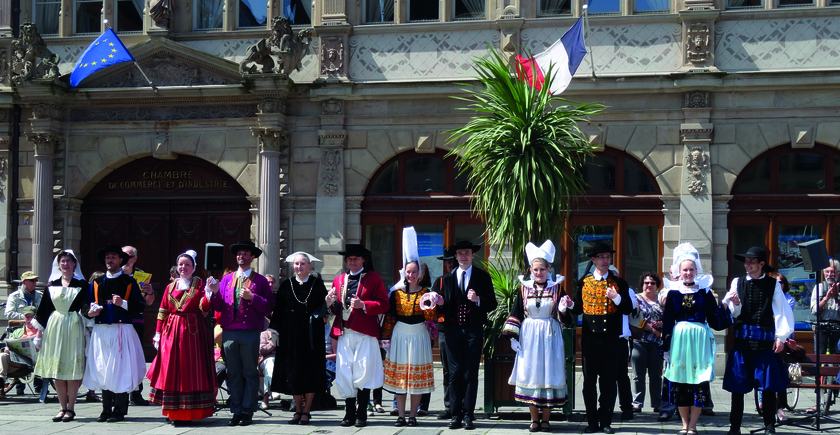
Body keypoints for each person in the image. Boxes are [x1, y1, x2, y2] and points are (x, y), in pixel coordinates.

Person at [660, 243, 732, 435]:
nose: (688, 272)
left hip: (699, 340)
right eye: (685, 269)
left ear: (696, 270)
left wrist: (725, 306)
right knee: (681, 381)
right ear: (679, 271)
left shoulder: (704, 292)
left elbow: (715, 319)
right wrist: (665, 347)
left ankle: (693, 426)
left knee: (698, 381)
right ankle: (684, 425)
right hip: (680, 340)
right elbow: (667, 321)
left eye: (691, 269)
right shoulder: (673, 293)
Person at [503, 240, 572, 433]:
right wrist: (513, 337)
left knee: (548, 372)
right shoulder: (524, 288)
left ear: (549, 269)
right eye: (536, 270)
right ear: (531, 270)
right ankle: (534, 419)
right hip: (530, 335)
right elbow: (516, 312)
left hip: (550, 334)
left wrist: (564, 308)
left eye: (542, 269)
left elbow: (565, 317)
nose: (539, 273)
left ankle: (547, 420)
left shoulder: (557, 288)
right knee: (531, 373)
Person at [723, 246, 793, 435]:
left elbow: (781, 312)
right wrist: (735, 305)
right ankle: (734, 427)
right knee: (737, 388)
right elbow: (732, 312)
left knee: (768, 388)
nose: (747, 265)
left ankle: (770, 427)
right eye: (746, 261)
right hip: (741, 344)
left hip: (764, 344)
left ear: (762, 264)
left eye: (751, 261)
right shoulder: (737, 282)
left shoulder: (773, 285)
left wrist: (781, 337)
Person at [146, 250, 217, 427]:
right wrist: (158, 333)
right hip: (171, 332)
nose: (183, 267)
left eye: (187, 264)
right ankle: (173, 410)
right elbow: (162, 310)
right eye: (180, 264)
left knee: (190, 370)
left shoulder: (200, 283)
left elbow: (204, 307)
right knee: (171, 370)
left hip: (193, 333)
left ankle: (189, 411)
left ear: (193, 267)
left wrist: (209, 293)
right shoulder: (170, 286)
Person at [209, 240, 274, 426]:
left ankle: (248, 411)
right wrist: (214, 293)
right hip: (229, 332)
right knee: (234, 373)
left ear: (252, 257)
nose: (241, 256)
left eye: (245, 253)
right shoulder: (227, 279)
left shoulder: (260, 280)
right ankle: (236, 410)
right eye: (239, 253)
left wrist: (252, 298)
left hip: (250, 332)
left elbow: (270, 305)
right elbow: (218, 307)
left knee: (249, 372)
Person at [570, 243, 632, 434]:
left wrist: (617, 298)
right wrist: (569, 304)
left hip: (611, 341)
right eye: (602, 257)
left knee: (608, 381)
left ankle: (605, 420)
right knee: (589, 382)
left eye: (608, 257)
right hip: (590, 341)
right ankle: (591, 422)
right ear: (593, 260)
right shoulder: (584, 283)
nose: (606, 261)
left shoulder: (619, 283)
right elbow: (578, 309)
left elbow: (628, 309)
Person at [380, 228, 439, 427]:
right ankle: (401, 415)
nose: (411, 274)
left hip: (419, 334)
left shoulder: (426, 292)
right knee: (401, 378)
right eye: (408, 272)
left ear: (419, 273)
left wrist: (431, 303)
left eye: (414, 272)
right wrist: (385, 338)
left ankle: (413, 415)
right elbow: (390, 316)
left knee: (415, 378)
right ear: (404, 273)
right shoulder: (396, 293)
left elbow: (431, 318)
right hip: (399, 335)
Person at [325, 243, 389, 428]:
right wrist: (330, 303)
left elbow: (384, 304)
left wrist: (365, 305)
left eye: (356, 259)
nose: (352, 262)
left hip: (365, 333)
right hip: (344, 334)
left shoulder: (373, 278)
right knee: (345, 373)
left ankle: (362, 414)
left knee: (364, 373)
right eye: (350, 259)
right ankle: (349, 413)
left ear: (363, 260)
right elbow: (337, 309)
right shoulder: (338, 280)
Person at [83, 244, 147, 423]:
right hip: (101, 330)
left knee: (120, 371)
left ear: (120, 260)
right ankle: (105, 409)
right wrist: (90, 312)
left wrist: (123, 304)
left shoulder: (129, 281)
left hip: (121, 330)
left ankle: (119, 410)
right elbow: (84, 305)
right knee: (103, 370)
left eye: (113, 257)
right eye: (107, 257)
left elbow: (140, 306)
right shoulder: (97, 282)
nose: (110, 260)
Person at [440, 240, 497, 430]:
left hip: (473, 330)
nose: (463, 256)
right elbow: (441, 305)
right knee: (455, 373)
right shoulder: (447, 279)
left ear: (473, 256)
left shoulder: (482, 277)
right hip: (452, 330)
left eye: (467, 253)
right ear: (455, 257)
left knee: (470, 373)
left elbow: (492, 304)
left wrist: (478, 299)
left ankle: (468, 415)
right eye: (460, 253)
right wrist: (439, 302)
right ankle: (455, 414)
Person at [268, 251, 328, 424]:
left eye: (302, 263)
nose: (299, 267)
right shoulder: (286, 285)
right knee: (293, 371)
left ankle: (307, 410)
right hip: (290, 332)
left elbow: (323, 309)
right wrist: (274, 332)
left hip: (311, 333)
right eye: (296, 264)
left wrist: (328, 304)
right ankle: (298, 409)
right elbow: (279, 310)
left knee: (310, 371)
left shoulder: (317, 284)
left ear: (309, 266)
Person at [32, 250, 87, 422]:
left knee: (71, 370)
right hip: (54, 327)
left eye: (68, 261)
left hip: (73, 326)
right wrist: (38, 335)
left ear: (74, 264)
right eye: (62, 261)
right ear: (58, 264)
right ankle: (62, 407)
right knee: (57, 370)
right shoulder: (51, 285)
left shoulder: (82, 285)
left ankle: (71, 408)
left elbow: (86, 307)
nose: (65, 264)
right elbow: (44, 311)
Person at [121, 245, 155, 406]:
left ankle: (136, 393)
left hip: (136, 319)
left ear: (134, 258)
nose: (125, 258)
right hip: (118, 319)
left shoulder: (141, 275)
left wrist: (150, 292)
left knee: (135, 356)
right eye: (123, 255)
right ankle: (118, 392)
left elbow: (148, 302)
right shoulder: (115, 273)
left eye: (129, 255)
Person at [808, 258, 840, 414]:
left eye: (832, 272)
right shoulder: (819, 288)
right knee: (819, 362)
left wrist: (837, 298)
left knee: (837, 359)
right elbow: (814, 310)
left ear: (838, 273)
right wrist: (826, 297)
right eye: (827, 272)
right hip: (822, 327)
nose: (829, 274)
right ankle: (818, 399)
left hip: (838, 327)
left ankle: (835, 389)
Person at [631, 272, 665, 415]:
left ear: (657, 286)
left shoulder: (662, 301)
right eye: (646, 283)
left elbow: (670, 320)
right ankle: (637, 403)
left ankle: (657, 403)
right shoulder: (636, 299)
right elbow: (631, 318)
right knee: (638, 375)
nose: (649, 285)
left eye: (652, 283)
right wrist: (646, 326)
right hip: (639, 341)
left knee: (656, 375)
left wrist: (661, 325)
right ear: (642, 284)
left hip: (657, 342)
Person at [4, 270, 43, 395]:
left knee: (40, 348)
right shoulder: (14, 296)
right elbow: (8, 313)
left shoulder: (40, 296)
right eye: (32, 280)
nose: (35, 282)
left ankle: (39, 384)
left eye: (36, 280)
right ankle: (19, 386)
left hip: (36, 330)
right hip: (19, 330)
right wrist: (27, 318)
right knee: (18, 350)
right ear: (24, 282)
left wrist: (34, 320)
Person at [433, 247, 457, 420]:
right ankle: (449, 405)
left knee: (462, 370)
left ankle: (463, 405)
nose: (448, 265)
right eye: (446, 262)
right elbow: (431, 307)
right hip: (444, 330)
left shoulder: (466, 279)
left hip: (463, 329)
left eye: (451, 261)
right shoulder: (439, 281)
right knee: (447, 370)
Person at [0, 306, 39, 399]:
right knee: (3, 355)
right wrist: (7, 349)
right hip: (18, 362)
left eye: (32, 317)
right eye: (27, 317)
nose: (29, 319)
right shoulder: (17, 332)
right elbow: (8, 346)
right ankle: (0, 385)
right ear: (24, 318)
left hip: (34, 361)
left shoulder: (40, 331)